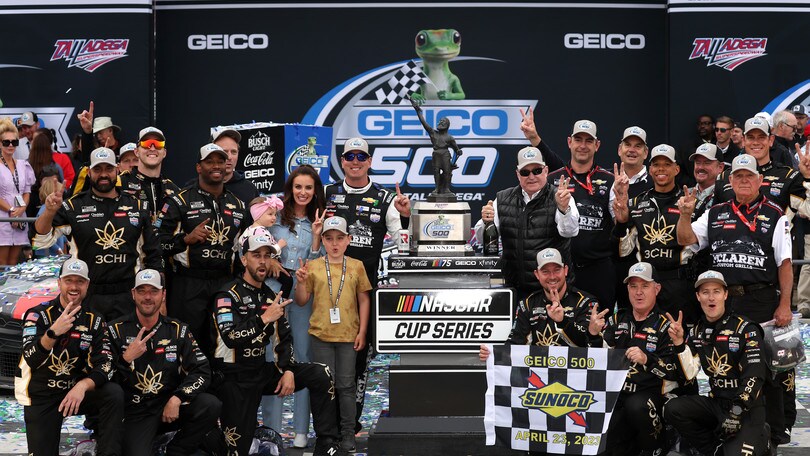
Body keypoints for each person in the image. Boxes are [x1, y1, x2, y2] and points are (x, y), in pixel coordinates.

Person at [676, 153, 796, 448]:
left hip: (762, 299)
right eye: (738, 176)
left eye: (749, 176)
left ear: (759, 180)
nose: (744, 181)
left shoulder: (775, 214)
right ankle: (732, 420)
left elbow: (784, 263)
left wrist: (785, 305)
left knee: (772, 369)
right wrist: (685, 215)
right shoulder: (715, 213)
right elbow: (685, 239)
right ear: (730, 181)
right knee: (727, 361)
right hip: (725, 300)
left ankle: (776, 432)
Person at [212, 232, 344, 456]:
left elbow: (284, 339)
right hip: (234, 378)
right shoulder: (226, 295)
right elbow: (230, 337)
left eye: (267, 256)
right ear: (244, 259)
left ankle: (326, 445)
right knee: (235, 450)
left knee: (320, 373)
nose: (263, 261)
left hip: (261, 371)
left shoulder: (270, 296)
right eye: (256, 255)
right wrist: (263, 319)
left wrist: (289, 369)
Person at [324, 137, 411, 434]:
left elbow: (402, 239)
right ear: (342, 161)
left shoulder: (385, 198)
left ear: (370, 161)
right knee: (326, 360)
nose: (355, 161)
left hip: (364, 292)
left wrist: (406, 217)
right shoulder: (327, 193)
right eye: (350, 156)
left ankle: (351, 422)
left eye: (361, 156)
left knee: (359, 359)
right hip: (326, 292)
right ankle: (328, 423)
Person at [34, 147, 164, 321]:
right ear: (89, 172)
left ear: (117, 170)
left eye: (108, 169)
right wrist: (49, 212)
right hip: (87, 296)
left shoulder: (138, 206)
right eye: (97, 169)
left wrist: (159, 299)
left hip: (128, 297)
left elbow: (153, 255)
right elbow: (39, 240)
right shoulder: (73, 207)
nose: (103, 174)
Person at [108, 269, 221, 456]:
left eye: (153, 291)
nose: (147, 297)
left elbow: (202, 370)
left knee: (210, 405)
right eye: (142, 291)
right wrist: (126, 359)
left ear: (163, 295)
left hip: (169, 405)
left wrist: (178, 398)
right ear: (133, 294)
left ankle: (175, 451)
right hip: (136, 412)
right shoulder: (115, 330)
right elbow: (103, 378)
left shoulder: (178, 330)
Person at [16, 258, 123, 456]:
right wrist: (52, 333)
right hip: (42, 395)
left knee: (113, 393)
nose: (74, 287)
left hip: (75, 392)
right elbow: (30, 358)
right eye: (69, 280)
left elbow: (106, 363)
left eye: (80, 281)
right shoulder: (37, 315)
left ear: (87, 285)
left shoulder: (95, 320)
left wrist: (82, 386)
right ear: (59, 283)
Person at [664, 270, 770, 456]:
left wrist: (737, 410)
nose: (711, 298)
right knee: (673, 409)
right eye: (705, 292)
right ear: (698, 296)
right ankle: (714, 449)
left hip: (747, 408)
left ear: (726, 295)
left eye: (716, 291)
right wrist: (680, 344)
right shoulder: (696, 331)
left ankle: (763, 437)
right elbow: (689, 373)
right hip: (716, 403)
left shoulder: (746, 328)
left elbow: (755, 375)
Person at [155, 143, 246, 354]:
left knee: (222, 344)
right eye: (210, 162)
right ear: (198, 167)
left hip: (224, 284)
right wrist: (185, 240)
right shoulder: (179, 201)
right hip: (188, 285)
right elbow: (156, 244)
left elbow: (243, 250)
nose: (216, 166)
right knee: (187, 344)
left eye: (220, 161)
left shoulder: (239, 205)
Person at [295, 216, 372, 452]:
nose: (335, 243)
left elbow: (364, 299)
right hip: (321, 336)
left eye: (340, 238)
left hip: (348, 336)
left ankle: (348, 433)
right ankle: (326, 435)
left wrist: (362, 331)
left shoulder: (356, 266)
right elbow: (301, 301)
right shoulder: (314, 266)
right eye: (329, 239)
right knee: (323, 387)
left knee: (346, 386)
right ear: (323, 241)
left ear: (349, 240)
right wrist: (301, 282)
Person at [261, 165, 326, 448]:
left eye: (308, 187)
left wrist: (316, 237)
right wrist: (270, 259)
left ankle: (301, 431)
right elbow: (250, 247)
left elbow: (317, 265)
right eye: (298, 186)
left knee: (302, 360)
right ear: (290, 189)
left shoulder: (318, 222)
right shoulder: (273, 217)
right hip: (272, 295)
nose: (303, 192)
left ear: (315, 191)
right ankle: (271, 431)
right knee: (271, 360)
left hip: (302, 296)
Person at [521, 115, 616, 308]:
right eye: (578, 139)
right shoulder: (552, 179)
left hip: (598, 269)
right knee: (559, 320)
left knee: (600, 321)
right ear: (569, 142)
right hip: (560, 271)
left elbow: (621, 223)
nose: (583, 145)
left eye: (589, 141)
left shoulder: (610, 180)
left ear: (597, 145)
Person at [587, 262, 679, 456]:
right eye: (633, 286)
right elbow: (598, 362)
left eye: (645, 286)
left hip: (653, 395)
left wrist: (647, 359)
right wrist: (594, 336)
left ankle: (657, 446)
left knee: (636, 405)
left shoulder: (667, 325)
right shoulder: (615, 320)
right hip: (619, 396)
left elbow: (676, 372)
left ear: (657, 289)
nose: (638, 292)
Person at [475, 146, 580, 299]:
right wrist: (486, 222)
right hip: (514, 287)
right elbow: (480, 239)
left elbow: (570, 231)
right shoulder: (502, 198)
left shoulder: (561, 197)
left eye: (537, 171)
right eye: (525, 172)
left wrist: (564, 209)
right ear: (518, 174)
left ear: (546, 171)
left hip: (551, 289)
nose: (531, 176)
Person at [613, 144, 700, 325]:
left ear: (676, 169)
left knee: (679, 336)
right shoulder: (636, 203)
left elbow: (701, 248)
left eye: (667, 164)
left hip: (679, 285)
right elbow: (622, 252)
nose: (661, 169)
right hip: (646, 284)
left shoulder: (689, 202)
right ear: (650, 169)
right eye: (656, 164)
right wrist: (621, 223)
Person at [479, 247, 601, 363]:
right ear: (537, 274)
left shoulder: (586, 302)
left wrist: (563, 322)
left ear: (565, 270)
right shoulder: (527, 304)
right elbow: (516, 343)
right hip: (538, 374)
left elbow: (590, 348)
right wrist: (494, 354)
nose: (552, 277)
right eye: (545, 271)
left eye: (557, 270)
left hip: (574, 372)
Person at [713, 117, 810, 214]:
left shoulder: (788, 176)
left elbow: (808, 211)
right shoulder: (725, 177)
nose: (756, 142)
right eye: (751, 137)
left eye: (761, 137)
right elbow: (713, 216)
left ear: (771, 140)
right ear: (743, 140)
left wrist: (808, 177)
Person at [611, 126, 654, 311]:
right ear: (619, 149)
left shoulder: (655, 182)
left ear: (646, 153)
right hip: (610, 264)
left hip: (642, 265)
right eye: (627, 144)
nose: (632, 150)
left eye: (638, 146)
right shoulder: (606, 179)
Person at [119, 127, 180, 220]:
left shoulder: (174, 190)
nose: (152, 148)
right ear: (136, 152)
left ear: (164, 153)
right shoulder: (120, 184)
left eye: (158, 144)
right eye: (146, 143)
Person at [411, 98, 463, 197]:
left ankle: (446, 189)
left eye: (443, 122)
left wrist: (458, 151)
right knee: (436, 172)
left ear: (447, 125)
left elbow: (456, 149)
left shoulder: (450, 137)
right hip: (436, 154)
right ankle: (437, 188)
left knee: (447, 171)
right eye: (440, 121)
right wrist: (418, 111)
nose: (440, 123)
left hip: (445, 154)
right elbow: (423, 122)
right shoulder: (433, 133)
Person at [0, 117, 35, 265]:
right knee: (2, 262)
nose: (10, 145)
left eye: (14, 142)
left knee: (14, 262)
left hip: (20, 216)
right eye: (6, 142)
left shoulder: (23, 165)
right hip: (3, 217)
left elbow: (27, 191)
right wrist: (12, 211)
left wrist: (21, 210)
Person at [211, 128, 260, 207]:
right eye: (224, 152)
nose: (229, 157)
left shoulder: (249, 189)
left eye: (233, 152)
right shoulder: (195, 188)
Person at [32, 168, 66, 258]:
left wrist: (65, 241)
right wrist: (57, 249)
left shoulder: (58, 209)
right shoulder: (44, 210)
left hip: (56, 253)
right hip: (45, 253)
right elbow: (44, 233)